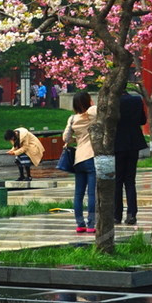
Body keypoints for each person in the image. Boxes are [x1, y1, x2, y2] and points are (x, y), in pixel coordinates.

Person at [62, 91, 98, 233]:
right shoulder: (92, 113)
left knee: (79, 194)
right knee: (92, 194)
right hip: (92, 156)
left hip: (78, 159)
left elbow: (66, 138)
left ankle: (80, 224)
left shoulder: (72, 119)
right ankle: (91, 225)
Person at [114, 89, 148, 225]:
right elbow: (143, 120)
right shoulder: (136, 100)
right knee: (130, 180)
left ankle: (116, 215)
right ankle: (131, 213)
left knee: (117, 181)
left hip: (118, 143)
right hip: (134, 142)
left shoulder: (114, 102)